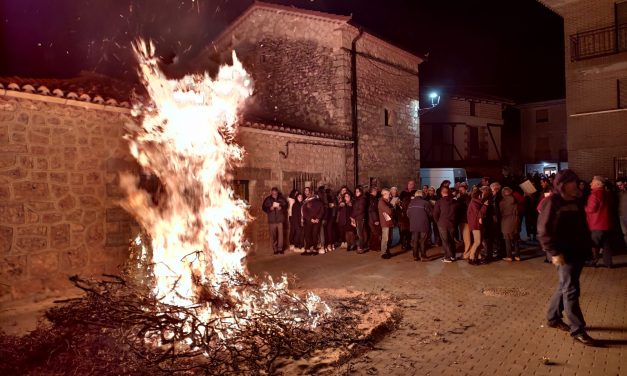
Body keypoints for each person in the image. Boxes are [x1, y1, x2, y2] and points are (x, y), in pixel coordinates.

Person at [537, 169, 597, 346]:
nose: (576, 184)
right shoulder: (552, 202)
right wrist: (553, 253)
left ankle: (553, 318)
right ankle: (577, 329)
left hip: (577, 251)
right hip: (563, 253)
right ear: (563, 184)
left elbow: (582, 226)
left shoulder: (575, 200)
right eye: (573, 182)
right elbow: (543, 230)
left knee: (565, 286)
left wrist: (589, 245)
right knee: (571, 289)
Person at [585, 176, 613, 268]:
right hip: (607, 224)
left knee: (594, 244)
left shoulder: (594, 195)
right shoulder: (608, 194)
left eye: (592, 182)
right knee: (607, 245)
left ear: (597, 184)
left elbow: (591, 209)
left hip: (596, 224)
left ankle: (594, 261)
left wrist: (584, 208)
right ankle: (608, 263)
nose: (590, 184)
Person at [433, 186, 457, 262]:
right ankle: (453, 256)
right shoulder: (454, 201)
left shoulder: (439, 202)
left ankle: (447, 257)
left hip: (442, 223)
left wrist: (438, 222)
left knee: (445, 240)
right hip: (452, 223)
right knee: (451, 240)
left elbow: (435, 214)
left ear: (441, 193)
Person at [261, 187, 288, 255]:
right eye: (273, 194)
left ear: (277, 193)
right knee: (273, 236)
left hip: (280, 220)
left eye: (275, 194)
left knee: (281, 235)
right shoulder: (267, 199)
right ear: (271, 193)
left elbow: (286, 206)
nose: (274, 195)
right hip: (272, 220)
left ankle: (280, 249)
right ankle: (275, 249)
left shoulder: (281, 198)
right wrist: (270, 208)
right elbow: (263, 207)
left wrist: (281, 207)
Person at [407, 190, 432, 261]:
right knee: (423, 241)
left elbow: (408, 214)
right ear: (422, 195)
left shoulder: (410, 203)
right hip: (423, 224)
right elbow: (430, 214)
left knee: (415, 240)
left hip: (413, 224)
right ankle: (423, 256)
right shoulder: (425, 203)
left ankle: (415, 256)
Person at [301, 186, 324, 256]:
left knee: (315, 234)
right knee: (308, 234)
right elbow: (304, 211)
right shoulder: (305, 202)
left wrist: (318, 218)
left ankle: (314, 249)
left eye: (308, 191)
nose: (306, 193)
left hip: (316, 221)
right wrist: (310, 219)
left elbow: (322, 210)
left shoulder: (318, 201)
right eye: (305, 191)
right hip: (309, 221)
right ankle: (307, 249)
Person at [467, 190, 487, 265]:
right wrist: (485, 206)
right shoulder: (474, 203)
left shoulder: (477, 202)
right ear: (478, 195)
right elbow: (478, 214)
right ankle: (471, 257)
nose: (483, 196)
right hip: (475, 225)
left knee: (479, 241)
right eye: (482, 194)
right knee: (477, 241)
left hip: (477, 224)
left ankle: (478, 256)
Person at [500, 187, 520, 261]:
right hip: (515, 220)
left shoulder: (502, 202)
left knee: (507, 239)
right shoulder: (515, 200)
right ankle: (517, 256)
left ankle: (509, 256)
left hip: (506, 221)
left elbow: (501, 212)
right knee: (516, 238)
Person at [455, 183, 472, 259]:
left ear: (465, 190)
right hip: (465, 220)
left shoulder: (462, 198)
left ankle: (467, 254)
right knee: (467, 238)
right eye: (459, 190)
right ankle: (470, 252)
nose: (460, 191)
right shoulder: (467, 197)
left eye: (461, 190)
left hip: (465, 220)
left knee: (466, 238)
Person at [351, 186, 367, 253]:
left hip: (360, 218)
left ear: (361, 192)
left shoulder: (362, 199)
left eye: (358, 191)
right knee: (359, 233)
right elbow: (355, 209)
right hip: (357, 217)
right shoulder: (357, 199)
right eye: (356, 192)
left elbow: (360, 210)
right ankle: (360, 246)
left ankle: (361, 247)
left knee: (360, 233)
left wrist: (353, 215)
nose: (356, 193)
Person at [379, 188, 394, 259]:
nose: (390, 195)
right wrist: (392, 207)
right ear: (384, 194)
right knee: (385, 238)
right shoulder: (381, 202)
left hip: (389, 222)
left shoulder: (387, 201)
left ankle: (387, 251)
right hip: (385, 223)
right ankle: (383, 253)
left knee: (389, 238)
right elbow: (389, 211)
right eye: (389, 194)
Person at [368, 187, 382, 251]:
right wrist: (376, 220)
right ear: (373, 191)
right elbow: (372, 210)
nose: (376, 192)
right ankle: (375, 247)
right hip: (373, 219)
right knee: (376, 233)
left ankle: (371, 246)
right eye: (376, 191)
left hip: (371, 218)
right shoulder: (372, 199)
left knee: (373, 233)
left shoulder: (371, 198)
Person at [618, 179, 627, 248]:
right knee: (625, 233)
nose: (619, 186)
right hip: (621, 215)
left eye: (620, 185)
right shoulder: (619, 193)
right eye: (618, 185)